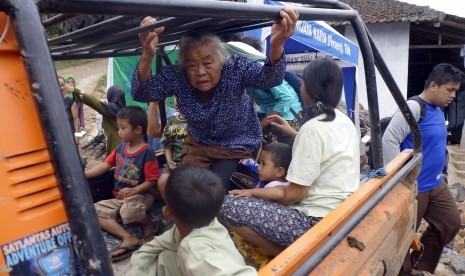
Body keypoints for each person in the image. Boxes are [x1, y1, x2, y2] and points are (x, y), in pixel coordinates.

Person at [131, 8, 298, 188]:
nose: (201, 72)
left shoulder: (235, 68)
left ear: (222, 60)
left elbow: (271, 78)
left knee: (217, 189)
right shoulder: (178, 76)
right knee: (183, 187)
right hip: (199, 144)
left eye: (208, 63)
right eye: (192, 65)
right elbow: (141, 93)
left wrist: (276, 46)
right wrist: (147, 54)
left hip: (238, 143)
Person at [219, 58, 360, 256]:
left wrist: (252, 194)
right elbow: (326, 150)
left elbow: (294, 195)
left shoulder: (312, 129)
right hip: (343, 211)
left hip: (315, 221)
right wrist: (295, 133)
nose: (301, 86)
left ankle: (284, 256)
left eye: (303, 82)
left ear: (309, 88)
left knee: (224, 205)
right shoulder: (344, 121)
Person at [382, 63, 464, 275]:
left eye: (456, 90)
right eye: (450, 89)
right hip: (413, 188)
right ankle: (403, 271)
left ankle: (419, 264)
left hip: (435, 183)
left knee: (450, 223)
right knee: (402, 239)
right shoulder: (415, 107)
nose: (453, 95)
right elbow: (389, 139)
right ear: (434, 85)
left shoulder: (438, 109)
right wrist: (401, 179)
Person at [127, 165, 256, 275]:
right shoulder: (205, 223)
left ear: (166, 212)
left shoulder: (196, 252)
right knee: (164, 256)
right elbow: (155, 245)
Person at [85, 106, 159, 262]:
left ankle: (149, 225)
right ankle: (128, 237)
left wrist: (135, 190)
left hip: (140, 196)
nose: (118, 131)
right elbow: (105, 165)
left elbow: (152, 180)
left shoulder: (147, 152)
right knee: (94, 211)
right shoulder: (120, 149)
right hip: (119, 197)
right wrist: (83, 175)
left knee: (128, 211)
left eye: (122, 128)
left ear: (138, 129)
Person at [225, 36, 303, 145]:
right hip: (268, 112)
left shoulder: (263, 69)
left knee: (274, 152)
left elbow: (286, 98)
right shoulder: (240, 72)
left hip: (288, 114)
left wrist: (264, 122)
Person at [64, 84, 126, 156]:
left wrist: (76, 91)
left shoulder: (111, 110)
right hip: (124, 150)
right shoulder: (124, 111)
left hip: (117, 153)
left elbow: (93, 102)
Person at [160, 97, 187, 173]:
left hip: (194, 163)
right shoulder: (172, 121)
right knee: (163, 181)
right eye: (176, 97)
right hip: (176, 163)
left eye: (181, 97)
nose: (177, 101)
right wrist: (170, 162)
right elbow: (167, 145)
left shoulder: (198, 121)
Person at [58, 76, 80, 143]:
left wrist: (77, 136)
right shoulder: (51, 102)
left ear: (65, 86)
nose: (59, 88)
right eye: (57, 85)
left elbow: (76, 119)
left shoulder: (71, 101)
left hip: (70, 134)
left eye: (61, 85)